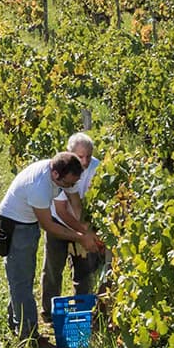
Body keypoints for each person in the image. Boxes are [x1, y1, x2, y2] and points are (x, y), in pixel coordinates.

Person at [0, 152, 106, 341]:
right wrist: (80, 238)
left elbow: (74, 201)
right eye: (68, 183)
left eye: (73, 183)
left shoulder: (65, 173)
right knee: (21, 280)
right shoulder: (39, 186)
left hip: (29, 222)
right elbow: (49, 226)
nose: (70, 187)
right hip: (16, 225)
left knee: (23, 276)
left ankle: (16, 324)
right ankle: (28, 335)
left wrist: (86, 232)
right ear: (55, 175)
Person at [40, 133, 102, 323]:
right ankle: (49, 312)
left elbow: (78, 204)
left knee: (85, 269)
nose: (85, 161)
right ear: (70, 153)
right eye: (80, 156)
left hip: (83, 221)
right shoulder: (63, 168)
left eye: (88, 156)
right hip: (58, 222)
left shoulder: (97, 168)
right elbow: (62, 210)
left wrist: (84, 230)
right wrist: (82, 233)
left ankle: (81, 310)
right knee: (53, 267)